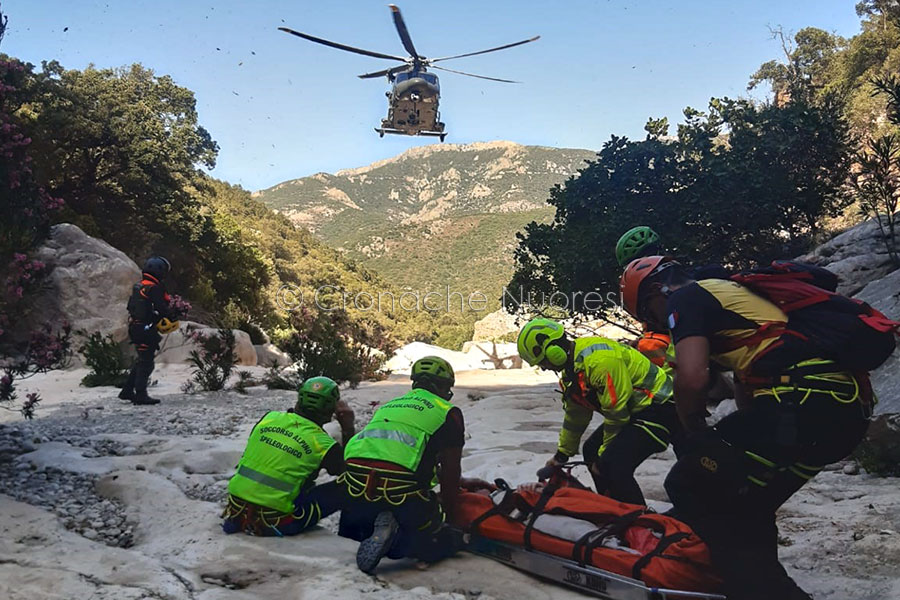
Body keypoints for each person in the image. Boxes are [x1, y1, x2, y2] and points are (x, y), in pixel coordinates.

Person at [620, 256, 873, 600]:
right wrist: (737, 445)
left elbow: (691, 379)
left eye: (648, 314)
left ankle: (751, 588)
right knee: (748, 500)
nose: (656, 324)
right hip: (845, 411)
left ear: (656, 292)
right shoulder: (732, 295)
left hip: (804, 400)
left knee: (686, 482)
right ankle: (757, 586)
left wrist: (696, 434)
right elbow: (746, 385)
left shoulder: (685, 298)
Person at [337, 356, 493, 574]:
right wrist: (449, 516)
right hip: (398, 493)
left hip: (356, 492)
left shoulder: (388, 406)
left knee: (376, 513)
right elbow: (449, 471)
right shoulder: (447, 412)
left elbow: (401, 454)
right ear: (443, 386)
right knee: (450, 539)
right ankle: (398, 540)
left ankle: (378, 527)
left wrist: (462, 482)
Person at [516, 318, 681, 506]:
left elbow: (617, 412)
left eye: (543, 361)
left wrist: (604, 454)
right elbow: (575, 416)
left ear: (554, 351)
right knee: (591, 451)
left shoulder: (600, 362)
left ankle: (642, 521)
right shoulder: (572, 373)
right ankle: (611, 508)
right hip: (636, 412)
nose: (544, 367)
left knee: (613, 465)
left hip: (661, 408)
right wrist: (561, 456)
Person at [222, 376, 356, 536]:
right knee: (349, 487)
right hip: (276, 523)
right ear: (332, 408)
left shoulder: (269, 418)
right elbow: (349, 470)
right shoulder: (323, 444)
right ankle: (352, 538)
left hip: (237, 513)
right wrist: (348, 427)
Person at [119, 256, 177, 405]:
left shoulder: (139, 285)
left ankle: (127, 391)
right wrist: (173, 314)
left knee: (141, 360)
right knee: (146, 363)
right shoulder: (155, 287)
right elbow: (162, 309)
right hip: (146, 328)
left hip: (135, 326)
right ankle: (140, 394)